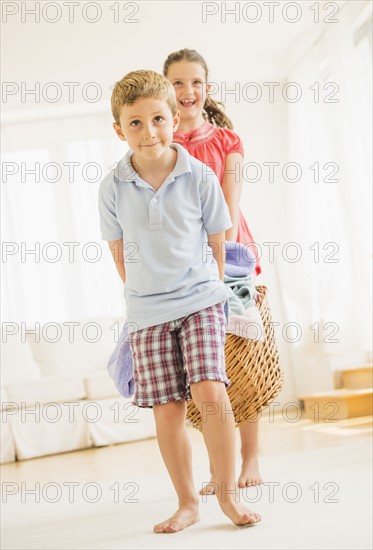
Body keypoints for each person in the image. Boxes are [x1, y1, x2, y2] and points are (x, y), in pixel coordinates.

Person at [98, 70, 261, 533]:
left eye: (157, 119)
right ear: (119, 129)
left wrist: (204, 288)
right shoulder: (111, 188)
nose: (148, 132)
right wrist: (145, 294)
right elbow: (118, 252)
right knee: (167, 409)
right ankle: (187, 503)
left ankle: (227, 495)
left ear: (174, 118)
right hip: (147, 311)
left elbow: (218, 243)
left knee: (210, 390)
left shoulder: (201, 176)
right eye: (135, 123)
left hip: (201, 300)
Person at [163, 48, 263, 492]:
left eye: (195, 82)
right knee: (204, 370)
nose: (187, 92)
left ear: (208, 87)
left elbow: (230, 202)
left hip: (233, 257)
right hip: (183, 268)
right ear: (166, 90)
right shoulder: (160, 144)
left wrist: (221, 262)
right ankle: (217, 470)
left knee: (242, 359)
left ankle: (251, 458)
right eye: (177, 84)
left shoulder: (228, 141)